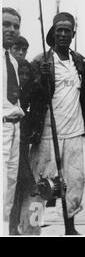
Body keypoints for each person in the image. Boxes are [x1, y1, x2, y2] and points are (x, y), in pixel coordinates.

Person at [20, 12, 85, 235]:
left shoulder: (80, 61)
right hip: (47, 133)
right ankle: (31, 229)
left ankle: (70, 229)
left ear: (73, 34)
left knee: (74, 184)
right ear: (53, 32)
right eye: (58, 29)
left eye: (67, 30)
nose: (62, 33)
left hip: (74, 133)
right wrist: (39, 80)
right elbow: (26, 95)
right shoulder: (39, 61)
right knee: (39, 185)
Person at [2, 7, 24, 235]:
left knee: (9, 188)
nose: (11, 29)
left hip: (14, 130)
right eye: (6, 24)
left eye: (16, 26)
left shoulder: (13, 61)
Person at [8, 59, 36, 235]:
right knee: (19, 187)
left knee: (31, 189)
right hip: (13, 145)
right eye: (21, 74)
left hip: (23, 146)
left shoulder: (32, 92)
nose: (24, 78)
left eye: (27, 74)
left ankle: (31, 229)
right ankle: (13, 227)